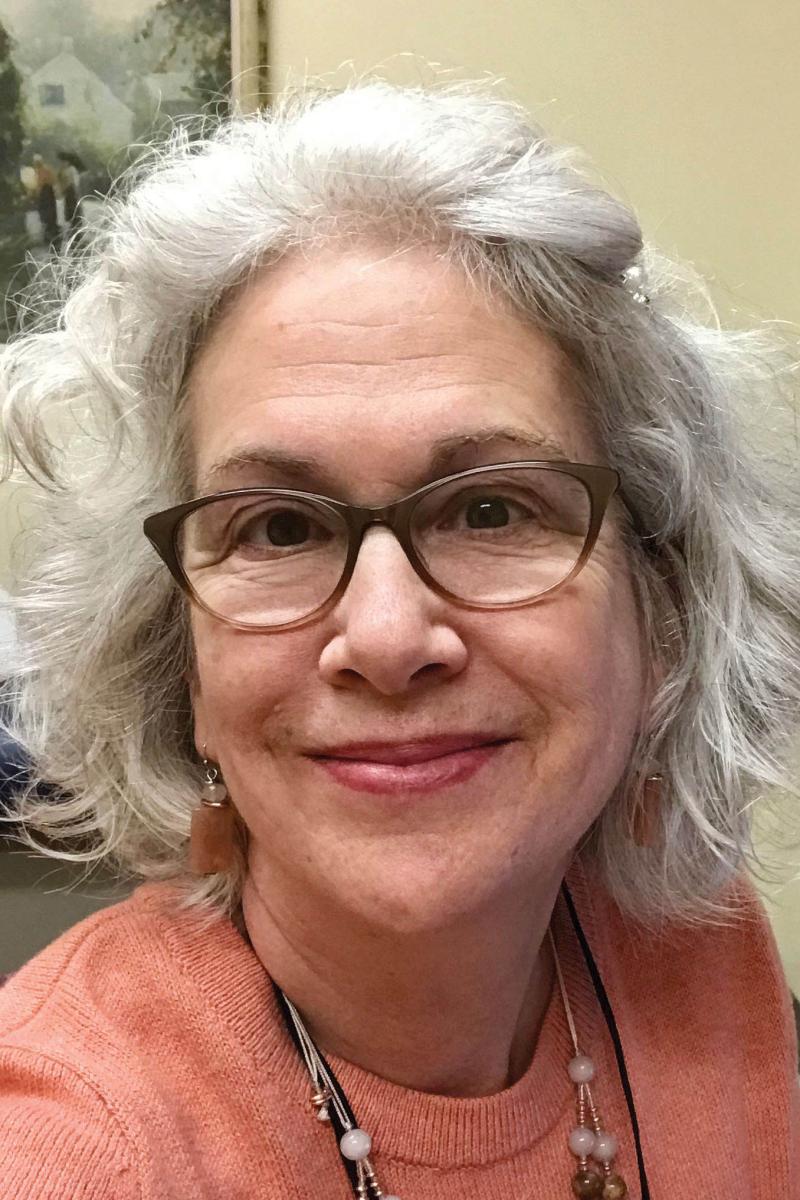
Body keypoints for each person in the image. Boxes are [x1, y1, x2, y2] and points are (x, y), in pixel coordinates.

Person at [0, 80, 798, 1200]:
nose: (384, 636)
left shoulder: (695, 949)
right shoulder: (74, 1149)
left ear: (659, 604)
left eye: (488, 510)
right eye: (277, 527)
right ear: (173, 653)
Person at [30, 154, 59, 249]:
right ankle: (50, 232)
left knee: (47, 213)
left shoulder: (44, 170)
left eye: (37, 162)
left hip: (46, 193)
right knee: (46, 213)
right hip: (46, 193)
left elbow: (47, 182)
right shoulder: (39, 171)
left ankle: (50, 233)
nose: (36, 164)